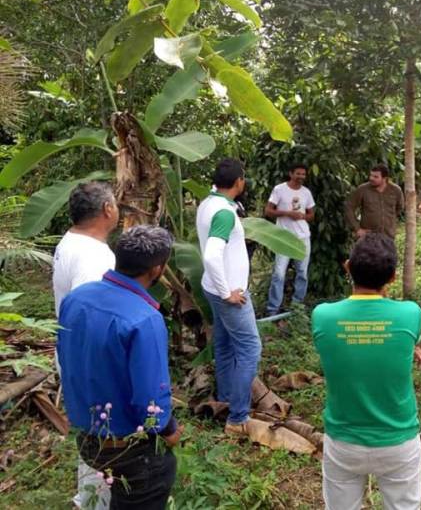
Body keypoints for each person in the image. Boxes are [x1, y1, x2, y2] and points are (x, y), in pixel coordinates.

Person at [58, 225, 182, 510]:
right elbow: (150, 402)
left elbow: (65, 356)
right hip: (129, 451)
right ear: (157, 269)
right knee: (153, 479)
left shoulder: (76, 298)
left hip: (88, 439)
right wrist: (169, 429)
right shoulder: (144, 319)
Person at [312, 233, 421, 509]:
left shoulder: (323, 316)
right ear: (392, 277)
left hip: (343, 442)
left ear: (347, 267)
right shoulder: (410, 313)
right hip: (398, 441)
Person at [52, 182, 119, 510]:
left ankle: (88, 496)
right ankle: (93, 503)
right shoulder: (96, 256)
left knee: (91, 433)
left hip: (70, 353)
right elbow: (90, 315)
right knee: (101, 435)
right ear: (108, 210)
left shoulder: (70, 241)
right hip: (89, 360)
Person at [197, 159, 264, 439]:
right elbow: (212, 254)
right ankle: (237, 417)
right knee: (250, 348)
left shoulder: (206, 204)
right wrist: (228, 292)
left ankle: (225, 398)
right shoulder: (224, 213)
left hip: (210, 288)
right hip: (227, 294)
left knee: (224, 345)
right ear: (239, 182)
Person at [265, 163, 316, 315]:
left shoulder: (306, 192)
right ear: (290, 173)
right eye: (298, 174)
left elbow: (311, 214)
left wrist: (303, 216)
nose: (301, 177)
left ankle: (296, 307)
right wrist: (287, 213)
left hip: (303, 237)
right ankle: (272, 310)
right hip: (283, 238)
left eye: (303, 174)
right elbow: (268, 211)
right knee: (279, 274)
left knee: (302, 273)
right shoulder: (279, 189)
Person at [345, 164, 404, 239]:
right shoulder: (363, 189)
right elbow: (349, 207)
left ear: (384, 178)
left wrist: (389, 221)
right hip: (368, 236)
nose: (371, 178)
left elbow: (399, 208)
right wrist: (357, 228)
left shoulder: (396, 190)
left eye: (375, 177)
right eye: (371, 175)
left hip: (388, 236)